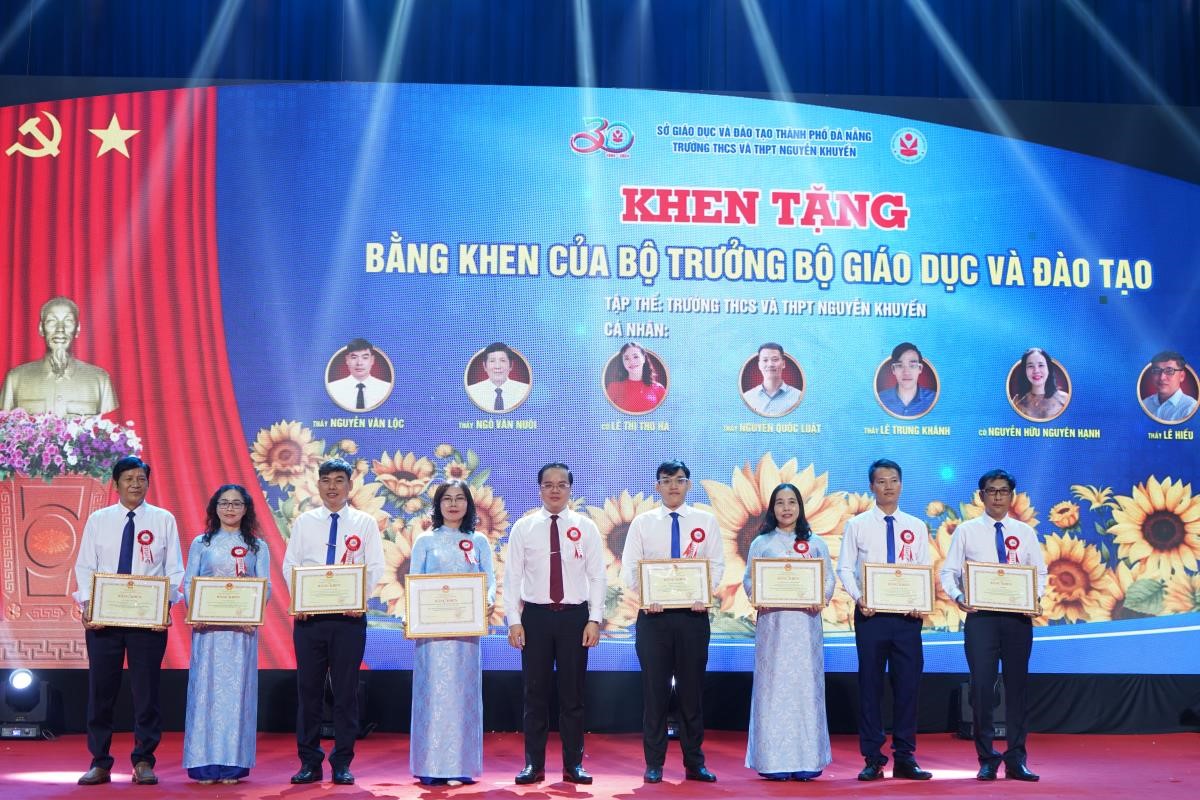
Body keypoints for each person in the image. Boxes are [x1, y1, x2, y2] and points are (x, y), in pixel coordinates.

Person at [73, 456, 184, 786]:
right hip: (104, 620)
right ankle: (100, 761)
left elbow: (174, 568)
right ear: (116, 483)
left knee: (146, 692)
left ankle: (144, 760)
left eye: (141, 479)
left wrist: (165, 604)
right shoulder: (99, 520)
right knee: (101, 691)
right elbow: (85, 566)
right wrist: (89, 605)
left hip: (146, 621)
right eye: (129, 478)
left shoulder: (163, 519)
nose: (136, 484)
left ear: (148, 483)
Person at [282, 458, 386, 786]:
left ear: (349, 485)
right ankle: (309, 761)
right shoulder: (304, 522)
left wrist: (359, 600)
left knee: (345, 692)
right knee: (309, 691)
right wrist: (299, 600)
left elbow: (376, 566)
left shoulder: (365, 523)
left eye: (339, 480)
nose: (332, 486)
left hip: (349, 620)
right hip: (310, 620)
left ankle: (342, 761)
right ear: (318, 484)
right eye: (326, 480)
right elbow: (290, 563)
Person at [620, 460, 724, 783]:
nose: (673, 486)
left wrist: (704, 593)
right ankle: (654, 763)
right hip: (654, 618)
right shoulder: (642, 523)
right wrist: (647, 595)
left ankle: (695, 763)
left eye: (679, 480)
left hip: (693, 617)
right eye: (666, 480)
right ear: (657, 486)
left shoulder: (706, 521)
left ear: (688, 485)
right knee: (655, 693)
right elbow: (629, 569)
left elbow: (717, 565)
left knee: (692, 693)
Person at [940, 469, 1047, 782]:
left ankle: (1016, 759)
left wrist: (1035, 597)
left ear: (1012, 496)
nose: (998, 496)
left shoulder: (1025, 532)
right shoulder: (966, 531)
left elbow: (1039, 573)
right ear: (981, 495)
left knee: (1017, 689)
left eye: (1003, 491)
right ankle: (987, 758)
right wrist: (959, 596)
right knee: (982, 689)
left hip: (1017, 619)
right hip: (981, 619)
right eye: (992, 490)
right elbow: (948, 572)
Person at [504, 463, 605, 785]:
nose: (555, 490)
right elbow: (512, 577)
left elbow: (597, 576)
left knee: (573, 696)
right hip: (535, 617)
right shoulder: (523, 528)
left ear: (570, 489)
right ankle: (533, 765)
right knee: (535, 694)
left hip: (575, 618)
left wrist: (594, 619)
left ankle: (573, 765)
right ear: (540, 490)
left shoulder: (586, 527)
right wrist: (513, 621)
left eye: (562, 484)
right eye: (548, 484)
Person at [836, 459, 933, 781]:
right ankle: (873, 758)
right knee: (870, 687)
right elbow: (845, 568)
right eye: (881, 481)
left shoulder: (916, 526)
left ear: (901, 485)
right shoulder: (857, 525)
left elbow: (923, 569)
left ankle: (905, 756)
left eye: (893, 480)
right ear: (871, 487)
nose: (888, 486)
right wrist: (859, 598)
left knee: (908, 687)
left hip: (907, 619)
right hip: (871, 616)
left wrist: (920, 602)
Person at [743, 482, 835, 781]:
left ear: (800, 506)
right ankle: (773, 761)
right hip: (774, 627)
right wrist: (758, 595)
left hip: (806, 628)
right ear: (772, 508)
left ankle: (809, 759)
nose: (786, 508)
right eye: (780, 502)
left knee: (806, 690)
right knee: (772, 690)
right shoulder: (762, 543)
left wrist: (820, 598)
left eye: (792, 502)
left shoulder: (816, 543)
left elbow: (828, 579)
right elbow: (749, 580)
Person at [408, 481, 496, 786]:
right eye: (447, 499)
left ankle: (461, 765)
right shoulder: (425, 541)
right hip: (432, 637)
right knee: (432, 695)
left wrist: (487, 600)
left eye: (460, 499)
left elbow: (490, 582)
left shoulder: (478, 541)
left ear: (468, 504)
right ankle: (429, 766)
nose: (454, 504)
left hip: (465, 635)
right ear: (438, 505)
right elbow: (414, 583)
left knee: (462, 696)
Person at [181, 485, 271, 784]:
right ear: (214, 507)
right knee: (205, 693)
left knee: (237, 695)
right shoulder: (201, 543)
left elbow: (265, 585)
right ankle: (203, 764)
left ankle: (233, 764)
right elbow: (190, 582)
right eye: (224, 503)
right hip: (208, 633)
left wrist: (252, 615)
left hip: (241, 634)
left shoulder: (258, 546)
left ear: (246, 509)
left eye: (236, 503)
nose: (230, 508)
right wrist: (197, 613)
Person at [1, 296, 117, 416]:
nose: (60, 329)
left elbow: (110, 423)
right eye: (52, 321)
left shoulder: (100, 380)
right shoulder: (15, 379)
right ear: (41, 328)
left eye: (68, 321)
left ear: (77, 329)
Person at [326, 338, 392, 412]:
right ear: (347, 360)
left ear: (372, 360)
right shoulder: (333, 389)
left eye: (365, 358)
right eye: (354, 357)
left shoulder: (385, 388)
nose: (359, 363)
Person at [741, 342, 802, 417]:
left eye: (775, 359)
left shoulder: (798, 396)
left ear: (783, 364)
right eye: (765, 360)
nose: (770, 364)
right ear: (759, 365)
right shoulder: (748, 398)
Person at [466, 342, 530, 412]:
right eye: (492, 361)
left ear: (511, 365)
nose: (497, 366)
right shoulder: (473, 392)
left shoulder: (524, 390)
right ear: (484, 366)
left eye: (502, 361)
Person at [605, 342, 667, 413]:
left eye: (635, 357)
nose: (631, 362)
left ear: (644, 358)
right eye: (626, 358)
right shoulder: (613, 388)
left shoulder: (659, 389)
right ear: (623, 362)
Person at [877, 342, 935, 418]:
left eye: (912, 366)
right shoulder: (881, 399)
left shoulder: (933, 399)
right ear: (893, 369)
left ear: (920, 369)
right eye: (900, 366)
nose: (906, 372)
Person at [1010, 347, 1070, 421]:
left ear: (1048, 369)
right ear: (1024, 371)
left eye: (1041, 365)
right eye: (1030, 366)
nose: (1036, 371)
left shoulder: (1064, 399)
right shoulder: (1017, 401)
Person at [1140, 350, 1197, 423]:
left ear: (1182, 376)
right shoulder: (1145, 404)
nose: (1162, 377)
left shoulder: (1191, 408)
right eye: (1157, 370)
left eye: (1169, 371)